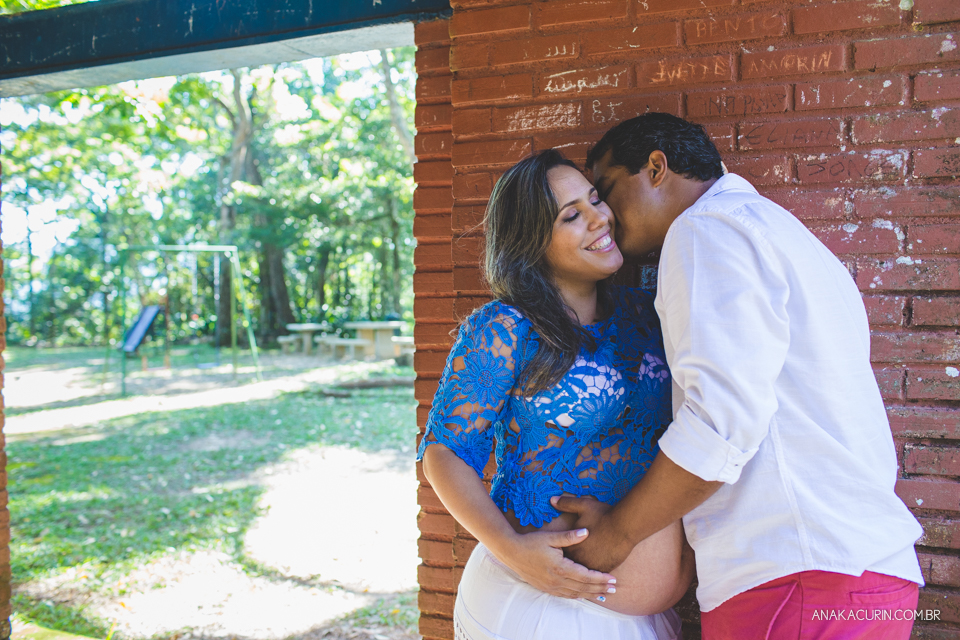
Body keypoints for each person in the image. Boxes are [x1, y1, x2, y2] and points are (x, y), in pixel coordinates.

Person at [548, 113, 924, 639]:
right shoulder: (779, 230)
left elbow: (719, 424)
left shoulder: (705, 231)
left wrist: (615, 535)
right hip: (856, 574)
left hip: (793, 576)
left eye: (606, 189)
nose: (604, 214)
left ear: (656, 167)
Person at [418, 149, 693, 640]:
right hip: (535, 602)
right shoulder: (505, 329)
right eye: (572, 215)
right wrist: (508, 546)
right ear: (532, 244)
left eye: (594, 200)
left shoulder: (649, 313)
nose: (599, 218)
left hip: (640, 613)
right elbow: (445, 453)